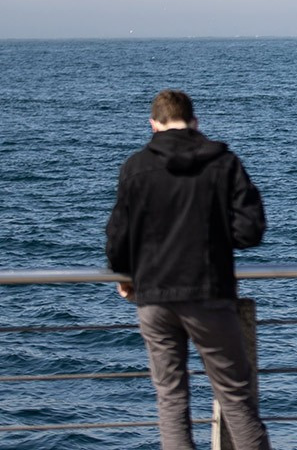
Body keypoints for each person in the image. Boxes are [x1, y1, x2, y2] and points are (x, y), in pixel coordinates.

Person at [105, 90, 271, 450]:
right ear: (195, 123)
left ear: (153, 124)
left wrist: (125, 274)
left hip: (153, 296)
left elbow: (118, 238)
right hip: (209, 294)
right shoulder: (224, 163)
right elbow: (250, 230)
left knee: (171, 399)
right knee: (236, 398)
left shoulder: (135, 168)